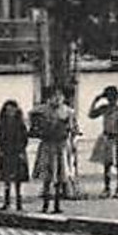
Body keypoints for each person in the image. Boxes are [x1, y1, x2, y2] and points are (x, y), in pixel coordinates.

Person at [29, 86, 77, 214]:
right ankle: (45, 204)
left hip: (61, 146)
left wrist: (71, 135)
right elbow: (32, 117)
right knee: (47, 176)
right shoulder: (42, 110)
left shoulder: (68, 111)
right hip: (47, 144)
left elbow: (73, 129)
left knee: (61, 176)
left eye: (59, 96)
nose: (57, 99)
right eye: (53, 96)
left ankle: (57, 204)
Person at [0, 99, 31, 211]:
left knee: (18, 179)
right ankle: (6, 202)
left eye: (12, 110)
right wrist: (2, 149)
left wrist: (21, 150)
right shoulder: (2, 124)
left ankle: (19, 203)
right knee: (6, 179)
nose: (10, 112)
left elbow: (24, 138)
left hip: (17, 153)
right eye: (8, 110)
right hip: (6, 153)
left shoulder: (20, 124)